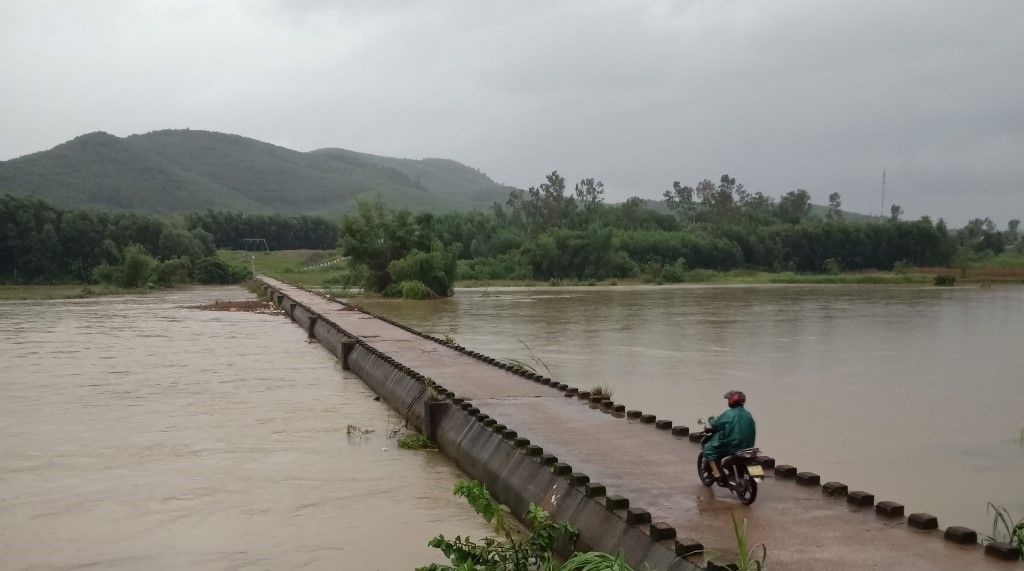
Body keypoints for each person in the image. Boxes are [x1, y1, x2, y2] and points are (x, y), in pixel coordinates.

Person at [703, 390, 756, 483]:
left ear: (731, 401)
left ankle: (716, 474)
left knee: (708, 450)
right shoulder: (748, 414)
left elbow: (715, 424)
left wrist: (711, 419)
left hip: (732, 445)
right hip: (748, 445)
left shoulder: (729, 414)